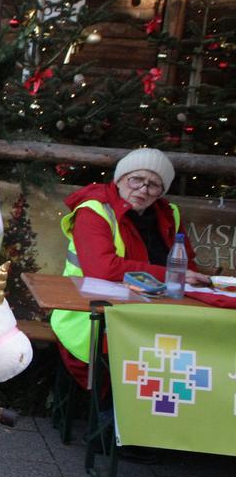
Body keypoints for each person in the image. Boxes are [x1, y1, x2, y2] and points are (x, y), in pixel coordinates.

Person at [51, 147, 212, 389]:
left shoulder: (169, 214)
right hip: (92, 314)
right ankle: (122, 406)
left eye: (153, 184)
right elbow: (103, 270)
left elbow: (186, 263)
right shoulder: (94, 210)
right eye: (136, 179)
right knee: (150, 363)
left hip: (155, 310)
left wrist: (186, 278)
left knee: (198, 349)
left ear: (161, 191)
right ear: (120, 179)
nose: (143, 189)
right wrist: (170, 276)